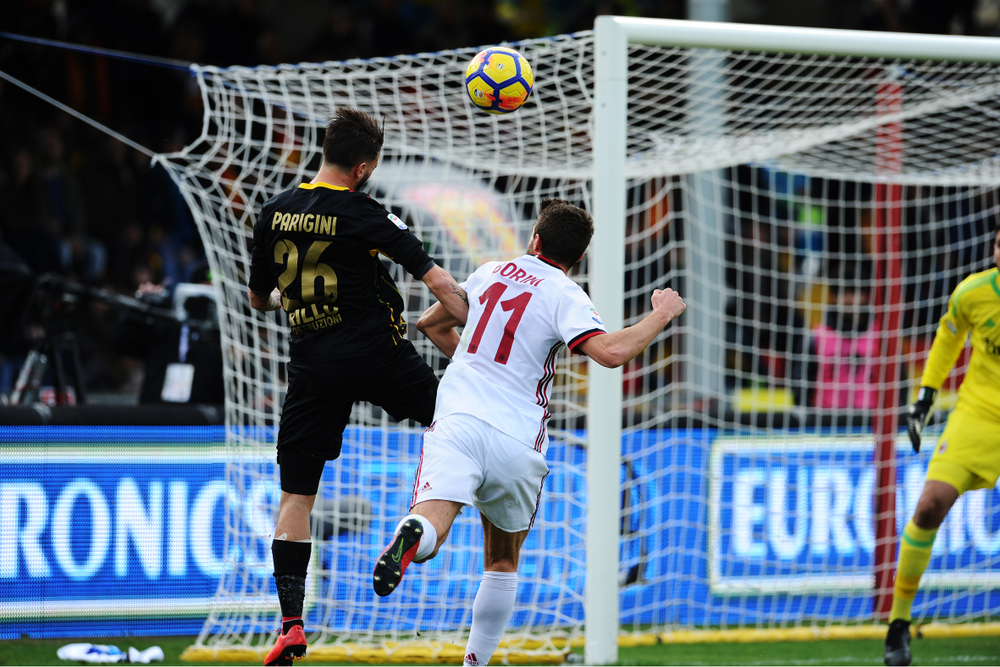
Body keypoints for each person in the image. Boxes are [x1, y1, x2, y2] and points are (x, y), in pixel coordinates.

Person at [372, 199, 686, 667]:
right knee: (501, 562)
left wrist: (471, 366)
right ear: (577, 258)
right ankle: (474, 663)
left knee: (432, 523)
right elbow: (610, 353)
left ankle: (415, 534)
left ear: (535, 239)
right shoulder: (566, 293)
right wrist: (661, 313)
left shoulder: (489, 273)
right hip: (518, 438)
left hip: (459, 419)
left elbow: (430, 323)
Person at [245, 108, 470, 666]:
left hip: (312, 366)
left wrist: (293, 300)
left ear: (326, 151)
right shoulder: (366, 213)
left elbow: (258, 299)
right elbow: (440, 283)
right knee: (461, 426)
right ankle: (419, 525)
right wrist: (487, 335)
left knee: (297, 496)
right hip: (378, 354)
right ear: (365, 166)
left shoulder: (273, 213)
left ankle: (291, 626)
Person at [884, 223, 1000, 666]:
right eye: (997, 245)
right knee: (929, 505)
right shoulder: (973, 292)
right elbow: (948, 339)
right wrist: (925, 398)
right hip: (978, 414)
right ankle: (897, 626)